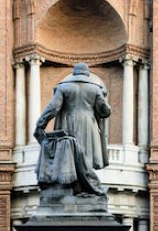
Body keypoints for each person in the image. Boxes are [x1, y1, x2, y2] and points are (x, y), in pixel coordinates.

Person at [34, 63, 111, 195]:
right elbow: (105, 111)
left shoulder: (63, 87)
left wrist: (41, 123)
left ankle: (75, 188)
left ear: (74, 73)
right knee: (86, 156)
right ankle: (85, 188)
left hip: (67, 123)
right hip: (89, 125)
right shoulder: (95, 89)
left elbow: (53, 108)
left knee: (69, 155)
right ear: (87, 73)